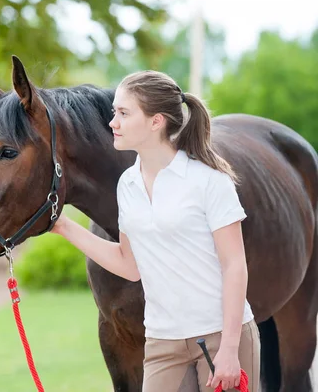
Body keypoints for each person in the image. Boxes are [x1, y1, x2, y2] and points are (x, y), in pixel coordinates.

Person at [50, 70, 260, 391]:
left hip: (220, 338)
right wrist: (63, 226)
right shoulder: (128, 185)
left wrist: (230, 349)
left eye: (123, 113)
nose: (112, 123)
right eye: (114, 113)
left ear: (155, 121)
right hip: (162, 343)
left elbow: (234, 266)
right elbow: (128, 264)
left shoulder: (208, 180)